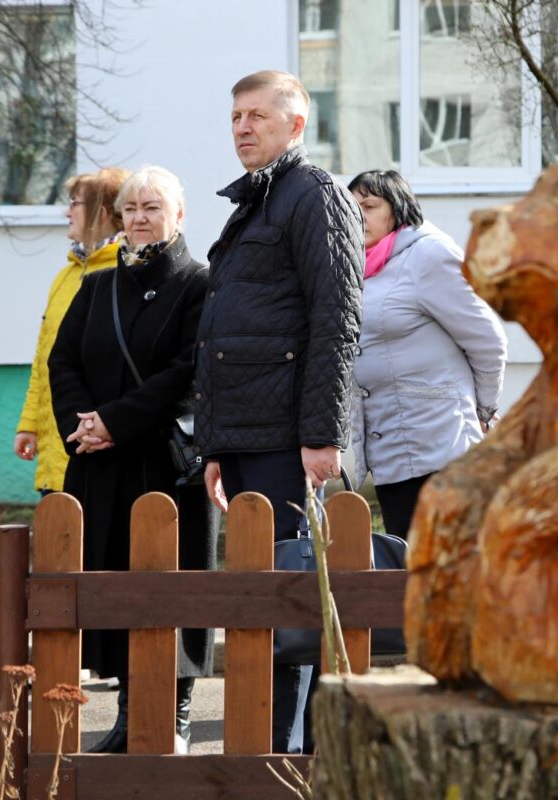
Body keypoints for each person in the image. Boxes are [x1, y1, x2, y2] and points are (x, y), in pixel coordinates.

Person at [194, 70, 364, 754]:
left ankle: (293, 754)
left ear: (295, 126)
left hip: (288, 441)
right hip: (243, 437)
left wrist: (322, 434)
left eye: (258, 115)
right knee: (260, 601)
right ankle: (264, 745)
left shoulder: (313, 193)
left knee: (291, 603)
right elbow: (227, 332)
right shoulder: (253, 204)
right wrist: (213, 445)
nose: (242, 126)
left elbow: (338, 317)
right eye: (236, 115)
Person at [49, 166, 213, 754]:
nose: (140, 219)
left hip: (163, 464)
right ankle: (127, 717)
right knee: (115, 588)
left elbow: (189, 370)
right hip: (98, 461)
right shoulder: (97, 286)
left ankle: (176, 714)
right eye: (131, 209)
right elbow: (61, 362)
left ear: (178, 215)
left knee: (169, 591)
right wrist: (84, 424)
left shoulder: (199, 283)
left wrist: (115, 422)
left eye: (153, 207)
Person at [347, 170, 507, 540]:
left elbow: (487, 339)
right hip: (390, 450)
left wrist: (483, 410)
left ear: (398, 210)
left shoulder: (428, 254)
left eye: (369, 206)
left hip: (441, 445)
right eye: (352, 208)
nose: (359, 217)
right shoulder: (358, 266)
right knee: (409, 570)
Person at [14, 167, 128, 495]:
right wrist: (30, 425)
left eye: (75, 203)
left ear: (101, 212)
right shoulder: (64, 277)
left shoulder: (123, 275)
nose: (67, 211)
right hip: (55, 446)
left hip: (96, 446)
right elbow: (44, 359)